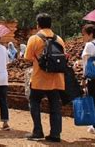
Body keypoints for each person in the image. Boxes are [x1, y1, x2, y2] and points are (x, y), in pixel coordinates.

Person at [24, 13, 65, 143]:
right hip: (56, 79)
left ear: (38, 24)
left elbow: (27, 57)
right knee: (55, 107)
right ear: (50, 24)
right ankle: (55, 134)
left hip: (39, 79)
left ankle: (37, 131)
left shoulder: (34, 39)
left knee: (34, 102)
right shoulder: (59, 39)